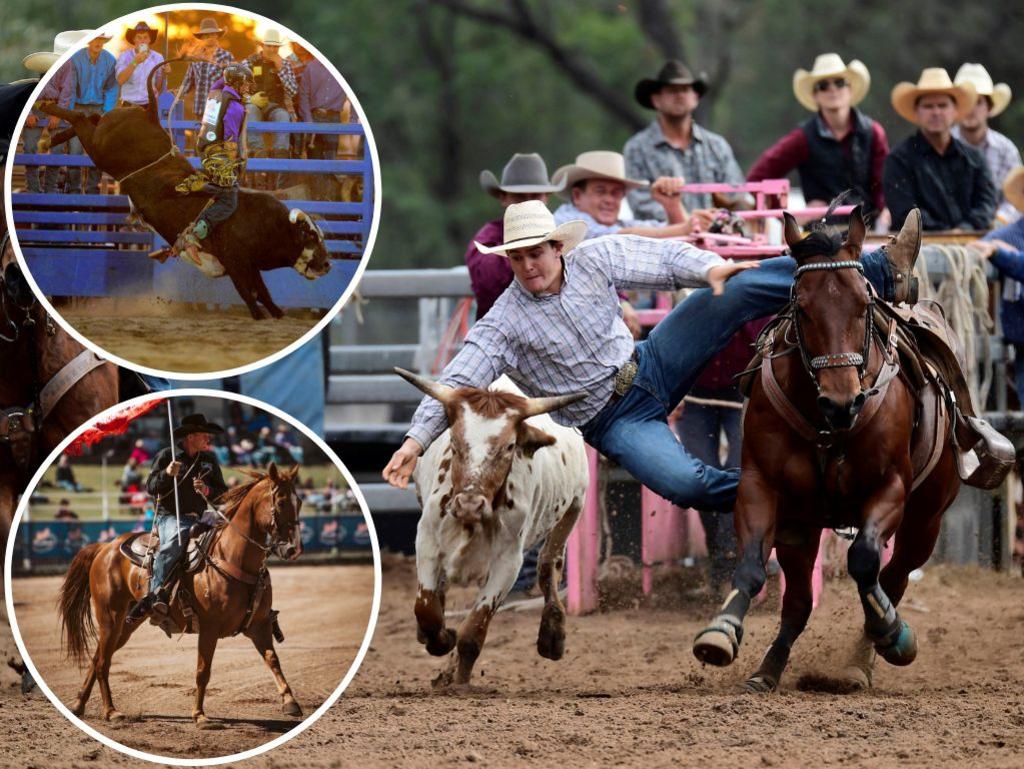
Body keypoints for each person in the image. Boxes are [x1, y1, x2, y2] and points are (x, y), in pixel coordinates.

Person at [382, 200, 923, 508]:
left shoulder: (593, 259)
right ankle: (811, 503)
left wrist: (705, 268)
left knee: (731, 286)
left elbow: (659, 257)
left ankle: (881, 269)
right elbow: (459, 376)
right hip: (612, 418)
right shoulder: (503, 321)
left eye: (536, 253)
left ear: (556, 248)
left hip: (652, 360)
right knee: (687, 484)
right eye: (518, 257)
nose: (528, 266)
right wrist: (414, 441)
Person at [747, 53, 889, 224]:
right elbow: (757, 179)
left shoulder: (872, 132)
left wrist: (886, 213)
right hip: (823, 238)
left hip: (870, 232)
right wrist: (790, 219)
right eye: (823, 86)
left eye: (839, 83)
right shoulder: (802, 138)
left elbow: (884, 185)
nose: (832, 90)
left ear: (850, 89)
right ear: (815, 95)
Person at [126, 414, 228, 624]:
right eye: (204, 435)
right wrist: (166, 473)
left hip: (202, 517)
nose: (208, 439)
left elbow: (222, 494)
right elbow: (151, 487)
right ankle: (152, 596)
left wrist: (207, 490)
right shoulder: (167, 456)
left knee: (230, 533)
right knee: (173, 543)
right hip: (170, 517)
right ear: (190, 436)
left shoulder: (208, 460)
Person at [624, 60, 745, 219]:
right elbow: (642, 205)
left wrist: (716, 222)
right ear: (656, 99)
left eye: (685, 89)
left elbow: (737, 195)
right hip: (664, 241)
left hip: (719, 239)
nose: (680, 95)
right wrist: (688, 223)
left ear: (695, 98)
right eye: (672, 90)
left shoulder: (717, 146)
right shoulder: (637, 148)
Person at [883, 68, 996, 231]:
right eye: (928, 106)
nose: (936, 112)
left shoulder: (974, 158)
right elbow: (904, 212)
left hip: (971, 244)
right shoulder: (898, 159)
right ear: (917, 111)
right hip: (920, 248)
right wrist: (946, 233)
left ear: (955, 110)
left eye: (942, 105)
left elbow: (986, 205)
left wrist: (964, 229)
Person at [171, 63, 254, 264]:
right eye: (245, 83)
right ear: (236, 83)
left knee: (223, 188)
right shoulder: (234, 107)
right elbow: (230, 140)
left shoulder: (216, 92)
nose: (248, 87)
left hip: (205, 146)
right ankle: (194, 235)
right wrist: (235, 164)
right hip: (218, 151)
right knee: (229, 198)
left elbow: (221, 82)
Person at [467, 153, 563, 319]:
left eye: (535, 196)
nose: (527, 203)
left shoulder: (558, 232)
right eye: (519, 196)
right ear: (503, 198)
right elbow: (488, 279)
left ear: (546, 197)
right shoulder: (488, 237)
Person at [968, 167, 1024, 398]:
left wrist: (1001, 254)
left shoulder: (1009, 235)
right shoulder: (1011, 232)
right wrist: (994, 248)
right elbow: (974, 248)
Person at [951, 63, 1021, 223]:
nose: (971, 109)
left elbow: (1017, 198)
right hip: (947, 231)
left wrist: (997, 221)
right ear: (956, 108)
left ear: (989, 108)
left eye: (978, 102)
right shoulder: (942, 146)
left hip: (997, 232)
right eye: (966, 102)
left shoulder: (1005, 150)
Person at [20, 31, 83, 194]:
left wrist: (57, 114)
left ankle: (50, 188)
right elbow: (26, 91)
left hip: (55, 107)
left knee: (56, 149)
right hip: (36, 107)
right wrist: (28, 115)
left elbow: (66, 93)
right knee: (30, 147)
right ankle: (33, 188)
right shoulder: (43, 71)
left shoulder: (68, 66)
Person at [65, 30, 116, 195]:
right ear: (88, 41)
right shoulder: (76, 59)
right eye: (95, 39)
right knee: (75, 149)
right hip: (78, 108)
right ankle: (74, 189)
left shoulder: (110, 60)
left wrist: (107, 112)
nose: (98, 42)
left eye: (102, 39)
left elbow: (112, 88)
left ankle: (92, 189)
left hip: (99, 109)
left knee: (97, 149)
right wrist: (70, 111)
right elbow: (71, 87)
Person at [242, 28, 298, 161]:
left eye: (275, 46)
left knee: (283, 115)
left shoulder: (285, 65)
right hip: (253, 106)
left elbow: (293, 91)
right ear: (262, 46)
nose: (272, 50)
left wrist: (281, 70)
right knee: (250, 109)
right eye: (269, 46)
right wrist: (250, 99)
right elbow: (235, 90)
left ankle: (281, 152)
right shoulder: (248, 62)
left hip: (276, 106)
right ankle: (257, 150)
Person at [178, 18, 235, 117]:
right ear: (202, 38)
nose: (210, 37)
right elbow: (187, 81)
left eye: (213, 34)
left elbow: (233, 83)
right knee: (199, 132)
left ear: (217, 35)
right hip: (200, 108)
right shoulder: (195, 57)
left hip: (219, 109)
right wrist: (176, 94)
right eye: (207, 35)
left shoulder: (227, 56)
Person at [115, 21, 165, 108]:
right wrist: (135, 62)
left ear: (150, 40)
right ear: (134, 40)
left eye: (145, 37)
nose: (142, 41)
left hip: (149, 105)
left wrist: (164, 73)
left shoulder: (158, 57)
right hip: (128, 104)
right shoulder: (125, 56)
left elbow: (158, 86)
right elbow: (120, 80)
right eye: (139, 37)